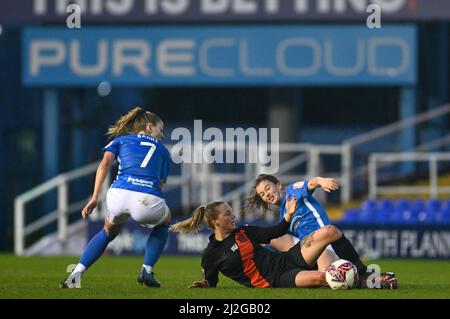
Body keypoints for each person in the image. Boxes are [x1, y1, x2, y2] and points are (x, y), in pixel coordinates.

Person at [61, 107, 171, 288]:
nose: (162, 134)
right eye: (161, 129)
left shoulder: (120, 141)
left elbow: (104, 164)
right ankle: (147, 270)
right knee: (165, 221)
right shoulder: (163, 150)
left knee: (107, 231)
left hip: (118, 194)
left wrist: (95, 197)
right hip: (146, 198)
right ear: (149, 127)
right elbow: (161, 182)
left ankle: (76, 274)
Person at [247, 174, 397, 288]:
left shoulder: (292, 191)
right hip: (310, 248)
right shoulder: (283, 216)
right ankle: (371, 278)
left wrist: (321, 181)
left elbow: (310, 183)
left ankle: (373, 279)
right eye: (262, 194)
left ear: (279, 185)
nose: (266, 194)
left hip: (325, 244)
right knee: (327, 278)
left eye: (267, 188)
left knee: (331, 278)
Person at [171, 199, 356, 289]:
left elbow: (275, 232)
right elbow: (211, 281)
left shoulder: (243, 231)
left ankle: (361, 271)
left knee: (329, 231)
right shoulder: (211, 254)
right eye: (227, 213)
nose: (233, 216)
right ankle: (368, 282)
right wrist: (203, 284)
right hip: (275, 279)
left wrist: (288, 215)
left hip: (287, 259)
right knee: (324, 278)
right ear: (215, 222)